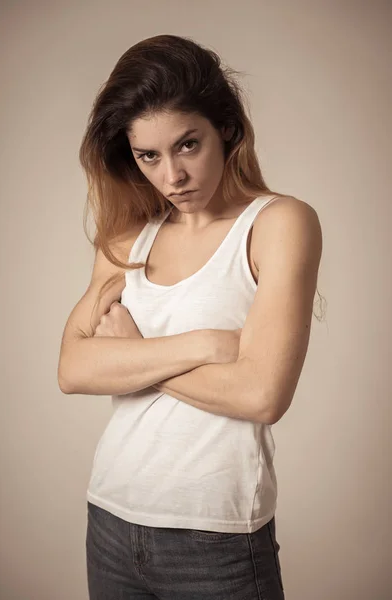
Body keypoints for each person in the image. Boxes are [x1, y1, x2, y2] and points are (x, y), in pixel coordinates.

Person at [58, 34, 323, 600]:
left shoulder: (278, 225)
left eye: (187, 145)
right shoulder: (129, 238)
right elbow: (73, 369)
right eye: (148, 156)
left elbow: (261, 395)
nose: (171, 175)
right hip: (110, 517)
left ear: (226, 127)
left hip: (217, 537)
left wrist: (130, 354)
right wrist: (205, 343)